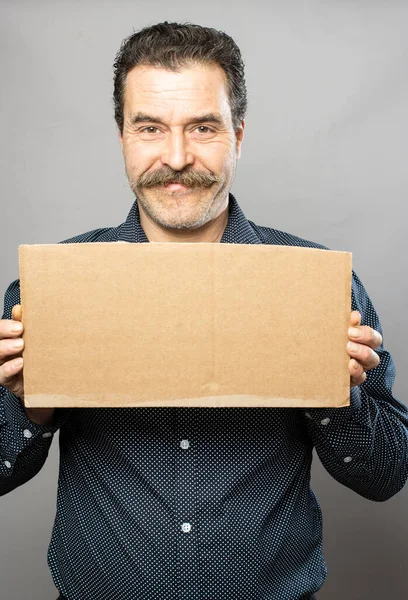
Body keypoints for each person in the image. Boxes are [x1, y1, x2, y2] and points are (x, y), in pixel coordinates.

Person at [0, 21, 407, 600]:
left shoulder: (318, 283)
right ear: (122, 137)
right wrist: (27, 407)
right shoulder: (50, 288)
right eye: (150, 128)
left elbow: (387, 476)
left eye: (202, 127)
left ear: (238, 135)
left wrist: (336, 393)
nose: (176, 156)